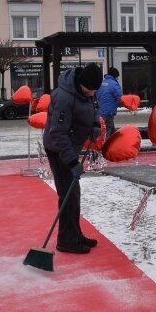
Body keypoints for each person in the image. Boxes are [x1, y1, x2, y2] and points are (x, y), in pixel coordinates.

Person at [43, 62, 103, 254]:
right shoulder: (64, 98)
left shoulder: (87, 91)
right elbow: (57, 133)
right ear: (80, 83)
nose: (92, 94)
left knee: (74, 194)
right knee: (67, 195)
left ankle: (75, 234)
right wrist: (71, 162)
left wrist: (94, 124)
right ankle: (66, 240)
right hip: (58, 149)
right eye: (89, 90)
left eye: (95, 90)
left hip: (71, 146)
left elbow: (94, 106)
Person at [96, 67, 123, 138]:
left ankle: (116, 144)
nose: (118, 78)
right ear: (115, 76)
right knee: (107, 132)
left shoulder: (102, 82)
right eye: (117, 77)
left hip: (101, 111)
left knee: (111, 130)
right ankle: (104, 147)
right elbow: (120, 97)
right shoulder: (114, 84)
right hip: (109, 112)